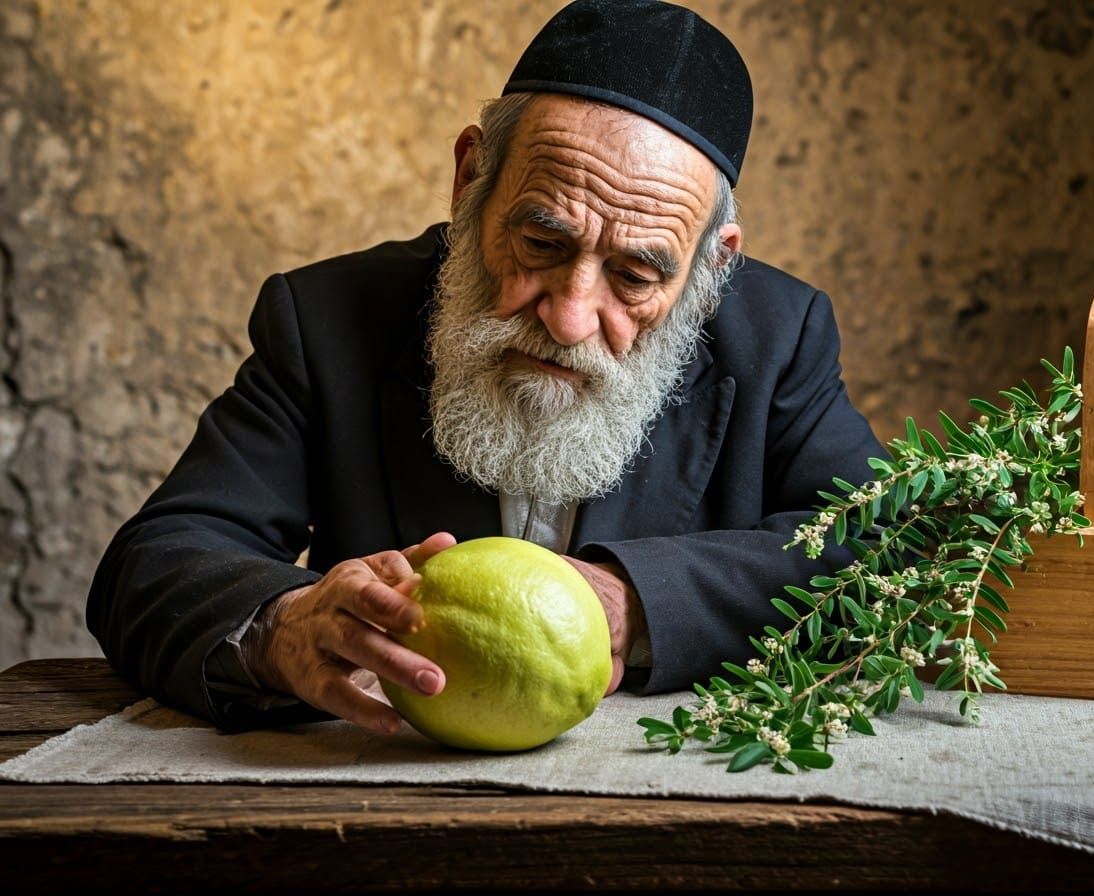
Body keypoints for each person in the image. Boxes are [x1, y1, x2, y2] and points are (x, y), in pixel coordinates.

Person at [87, 0, 887, 735]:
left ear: (712, 265)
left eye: (635, 276)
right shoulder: (327, 319)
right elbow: (153, 563)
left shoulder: (780, 337)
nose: (570, 316)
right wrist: (280, 625)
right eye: (541, 243)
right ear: (472, 174)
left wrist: (631, 604)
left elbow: (888, 544)